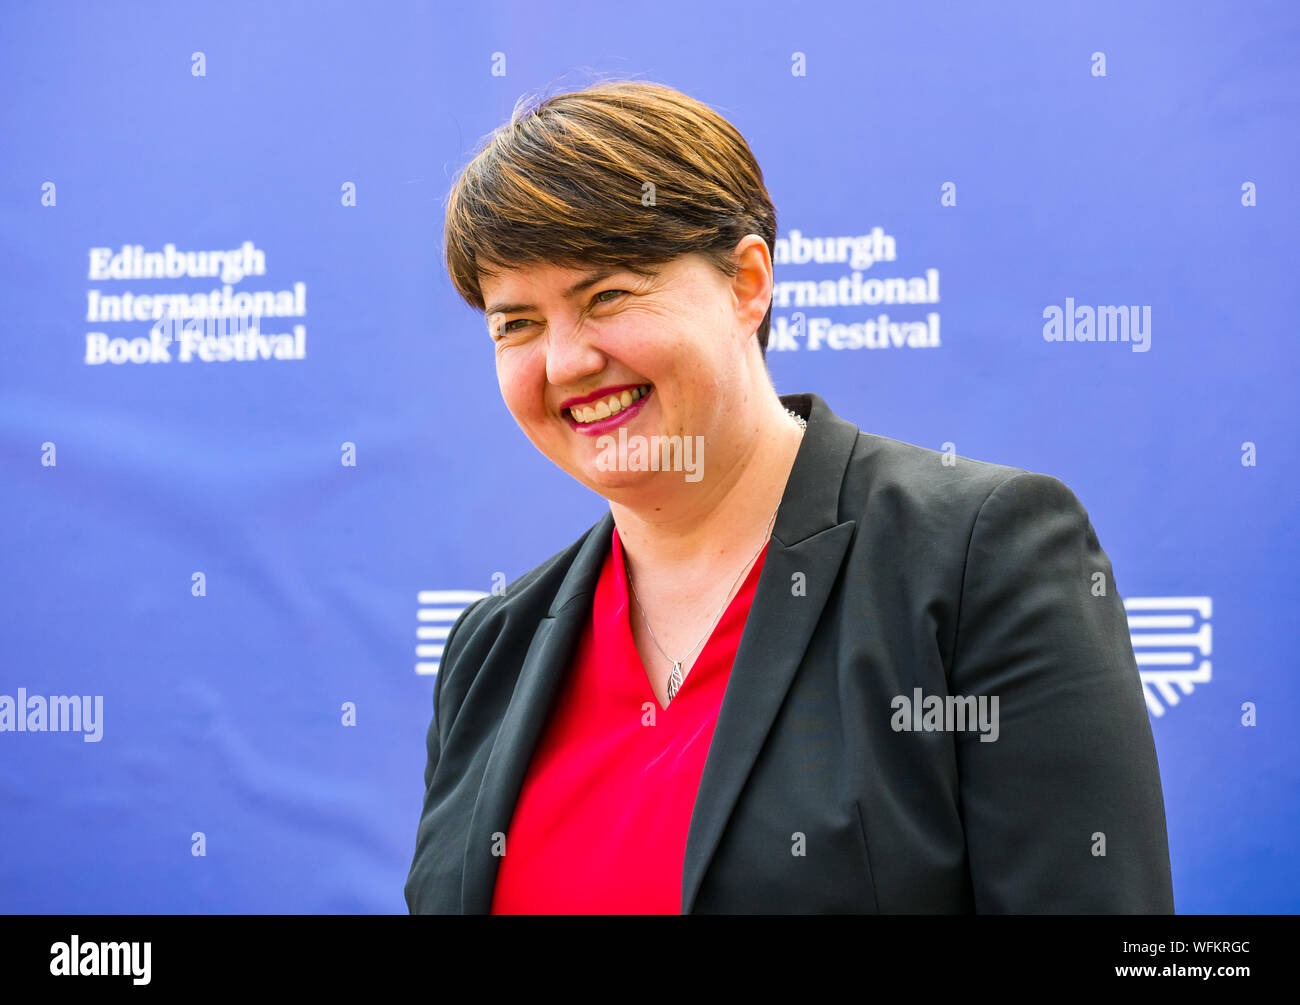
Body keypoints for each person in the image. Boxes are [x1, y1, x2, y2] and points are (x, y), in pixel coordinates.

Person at [403, 78, 1175, 914]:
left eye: (607, 296)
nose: (565, 362)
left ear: (747, 283)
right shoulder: (492, 648)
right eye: (516, 323)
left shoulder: (975, 559)